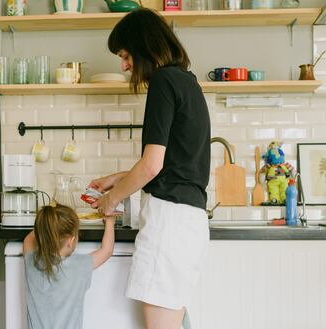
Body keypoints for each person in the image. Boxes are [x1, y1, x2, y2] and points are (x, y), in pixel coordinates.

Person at [88, 8, 210, 329]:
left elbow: (152, 166)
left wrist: (112, 198)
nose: (124, 65)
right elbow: (170, 160)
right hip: (188, 222)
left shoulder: (164, 81)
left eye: (126, 55)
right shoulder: (187, 82)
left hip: (169, 221)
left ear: (144, 47)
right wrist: (116, 179)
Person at [23, 203, 115, 329]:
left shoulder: (32, 262)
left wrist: (47, 227)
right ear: (71, 241)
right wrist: (110, 222)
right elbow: (107, 251)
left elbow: (29, 239)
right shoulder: (79, 266)